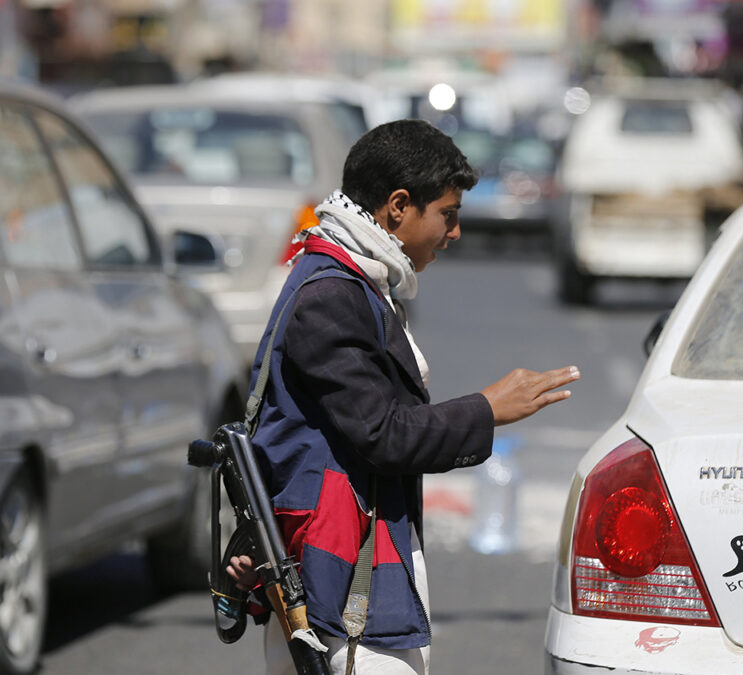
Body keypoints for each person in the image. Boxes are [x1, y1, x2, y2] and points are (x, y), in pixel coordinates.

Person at [229, 119, 579, 674]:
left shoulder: (353, 277)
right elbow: (384, 435)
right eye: (447, 214)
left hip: (349, 576)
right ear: (397, 206)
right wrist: (488, 409)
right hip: (343, 591)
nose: (455, 232)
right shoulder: (332, 295)